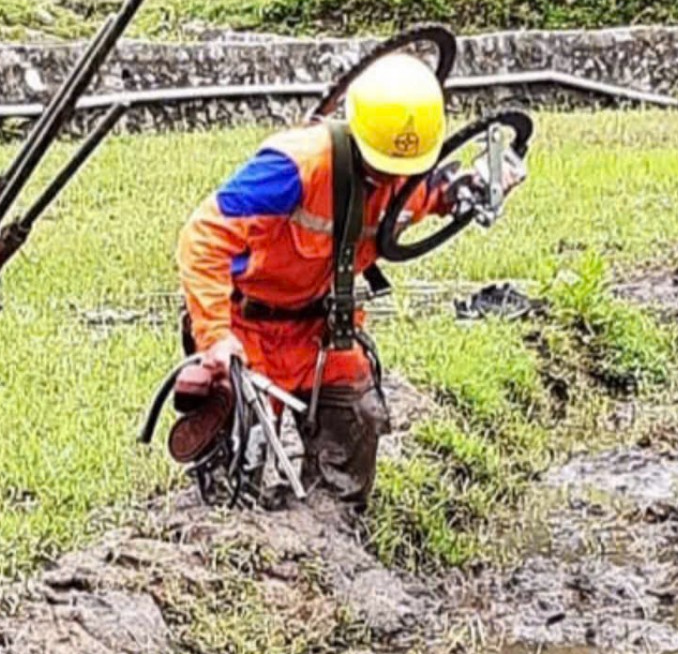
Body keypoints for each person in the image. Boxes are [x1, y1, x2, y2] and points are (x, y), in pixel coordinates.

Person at [177, 53, 524, 507]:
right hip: (249, 330)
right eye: (384, 169)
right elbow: (204, 236)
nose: (394, 181)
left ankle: (333, 540)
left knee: (357, 418)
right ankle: (234, 538)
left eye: (406, 171)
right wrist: (215, 338)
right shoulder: (294, 166)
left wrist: (474, 185)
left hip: (321, 331)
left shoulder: (406, 172)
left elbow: (431, 194)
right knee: (239, 460)